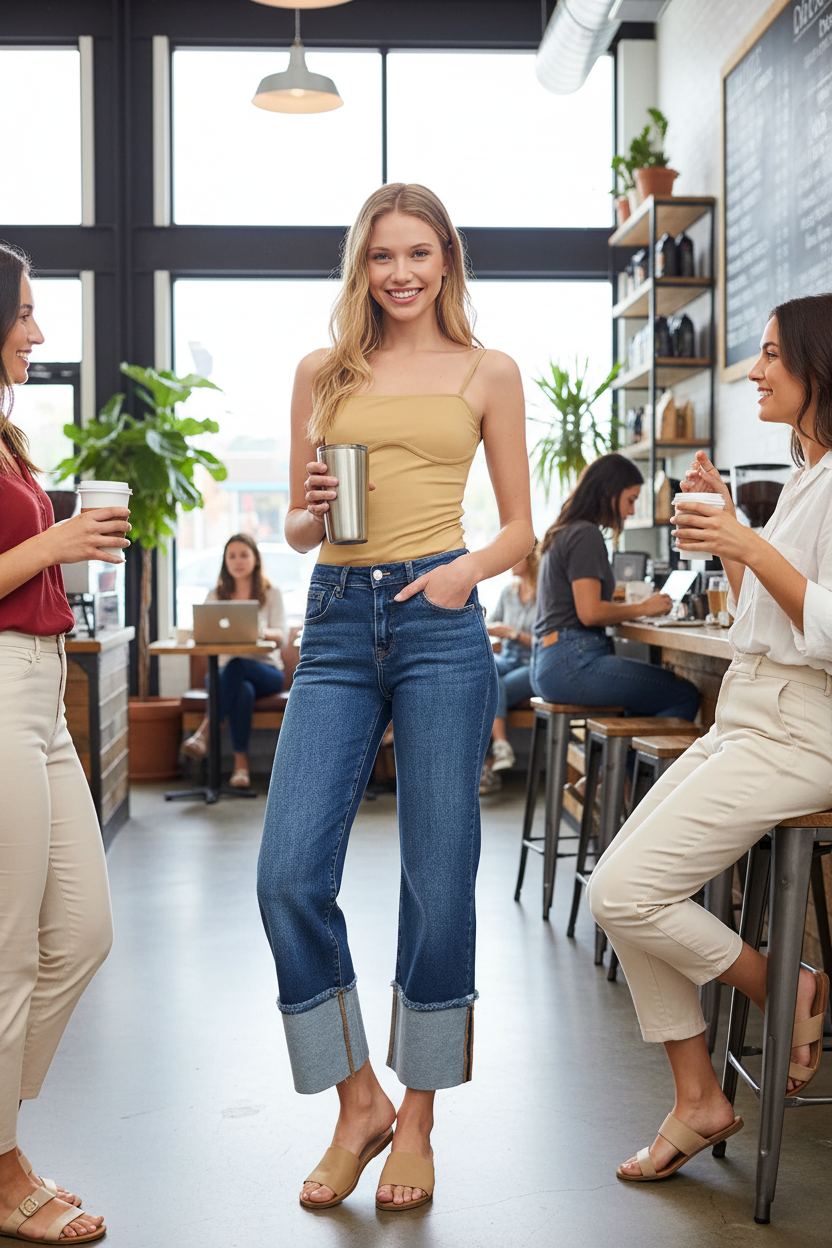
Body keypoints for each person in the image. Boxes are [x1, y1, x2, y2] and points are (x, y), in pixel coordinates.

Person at [256, 183, 534, 1213]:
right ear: (360, 268)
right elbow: (294, 525)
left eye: (419, 253)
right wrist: (306, 510)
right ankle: (355, 1099)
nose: (402, 273)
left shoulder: (486, 371)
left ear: (447, 261)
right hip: (333, 618)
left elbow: (521, 529)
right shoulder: (322, 373)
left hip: (439, 617)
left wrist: (463, 576)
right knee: (286, 873)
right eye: (382, 257)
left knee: (438, 873)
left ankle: (417, 1117)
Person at [587, 293, 832, 1183]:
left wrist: (747, 543)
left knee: (622, 891)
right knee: (624, 882)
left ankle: (787, 986)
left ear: (818, 365)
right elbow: (765, 610)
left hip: (804, 729)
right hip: (751, 711)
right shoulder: (809, 471)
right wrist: (729, 526)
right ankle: (699, 1100)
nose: (756, 370)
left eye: (770, 355)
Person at [0, 243, 129, 1242]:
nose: (38, 332)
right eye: (27, 312)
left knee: (82, 932)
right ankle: (3, 1170)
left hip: (43, 690)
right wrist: (57, 544)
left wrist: (57, 559)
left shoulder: (7, 435)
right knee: (5, 952)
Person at [531, 452, 699, 722]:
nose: (631, 511)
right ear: (608, 492)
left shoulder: (567, 530)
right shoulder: (586, 534)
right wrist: (644, 607)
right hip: (573, 663)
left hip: (550, 662)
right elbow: (590, 613)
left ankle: (617, 762)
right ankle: (625, 765)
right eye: (630, 500)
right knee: (684, 694)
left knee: (644, 698)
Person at [182, 534, 284, 788]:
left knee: (238, 666)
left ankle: (205, 730)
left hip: (267, 671)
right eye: (232, 556)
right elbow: (201, 630)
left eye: (243, 555)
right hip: (225, 673)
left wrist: (260, 631)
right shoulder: (216, 594)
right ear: (225, 561)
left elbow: (280, 635)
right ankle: (241, 767)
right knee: (241, 689)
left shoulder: (271, 593)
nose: (237, 561)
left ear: (255, 559)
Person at [479, 546, 539, 794]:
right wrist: (495, 631)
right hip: (509, 657)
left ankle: (499, 750)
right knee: (482, 671)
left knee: (494, 683)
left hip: (535, 663)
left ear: (531, 558)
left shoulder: (546, 595)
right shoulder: (508, 592)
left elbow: (548, 642)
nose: (509, 560)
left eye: (516, 556)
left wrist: (513, 633)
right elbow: (492, 623)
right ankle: (492, 761)